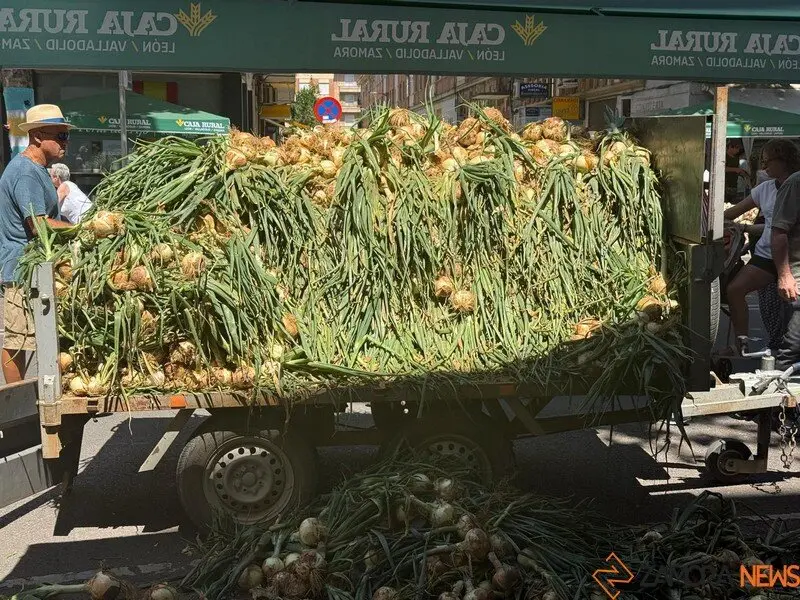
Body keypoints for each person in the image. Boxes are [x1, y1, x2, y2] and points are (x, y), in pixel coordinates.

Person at [0, 104, 74, 383]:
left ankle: (41, 391)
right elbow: (39, 225)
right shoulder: (26, 172)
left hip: (34, 268)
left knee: (37, 336)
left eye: (67, 136)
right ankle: (14, 402)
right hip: (22, 268)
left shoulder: (38, 169)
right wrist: (81, 229)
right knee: (18, 340)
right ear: (38, 137)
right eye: (60, 136)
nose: (65, 142)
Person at [723, 140, 799, 354]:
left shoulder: (796, 185)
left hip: (793, 257)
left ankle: (788, 352)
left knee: (792, 310)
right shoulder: (764, 189)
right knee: (735, 289)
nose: (764, 167)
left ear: (784, 160)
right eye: (762, 162)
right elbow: (731, 214)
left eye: (768, 162)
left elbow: (780, 231)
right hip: (767, 254)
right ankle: (741, 344)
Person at [725, 139, 749, 204]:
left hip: (734, 184)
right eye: (737, 148)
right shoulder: (724, 156)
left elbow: (737, 168)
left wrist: (742, 172)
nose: (738, 151)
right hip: (725, 184)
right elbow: (721, 168)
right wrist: (735, 169)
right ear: (730, 147)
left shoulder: (736, 157)